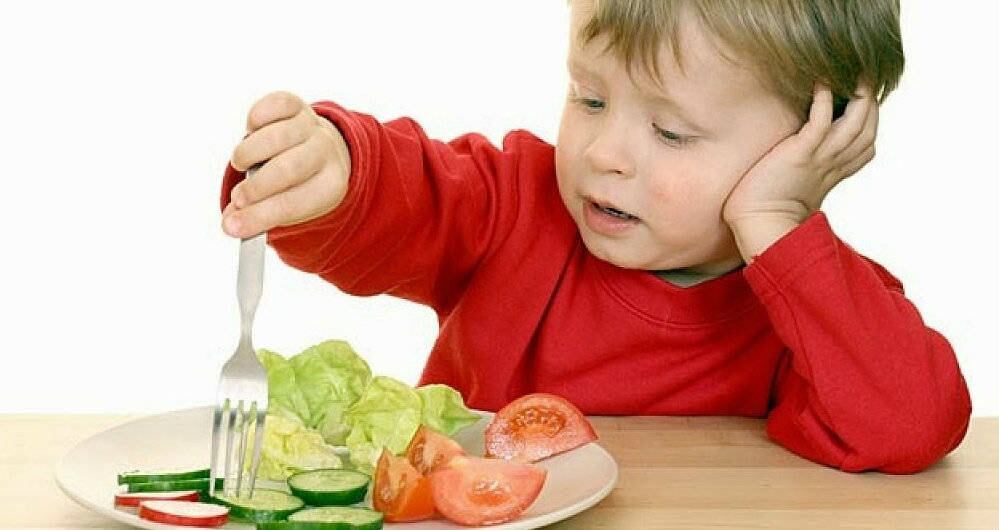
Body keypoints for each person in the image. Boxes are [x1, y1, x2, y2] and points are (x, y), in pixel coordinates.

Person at [217, 0, 971, 473]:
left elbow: (908, 427)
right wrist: (333, 172)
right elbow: (412, 195)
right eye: (589, 96)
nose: (605, 152)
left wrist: (777, 228)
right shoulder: (514, 202)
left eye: (671, 132)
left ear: (810, 144)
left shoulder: (812, 299)